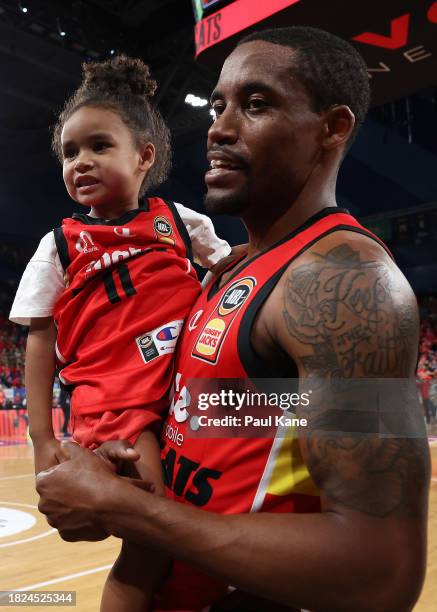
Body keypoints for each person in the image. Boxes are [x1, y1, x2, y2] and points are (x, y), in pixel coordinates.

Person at [36, 27, 430, 611]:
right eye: (218, 105)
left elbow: (381, 571)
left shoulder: (342, 284)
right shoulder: (234, 271)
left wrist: (132, 511)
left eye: (256, 104)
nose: (218, 127)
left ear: (333, 127)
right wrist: (120, 474)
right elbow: (246, 425)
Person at [10, 55, 230, 612]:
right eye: (69, 152)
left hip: (185, 396)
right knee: (149, 542)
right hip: (120, 407)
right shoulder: (58, 245)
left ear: (144, 156)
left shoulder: (181, 223)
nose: (80, 162)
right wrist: (42, 440)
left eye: (99, 146)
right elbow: (40, 339)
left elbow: (232, 271)